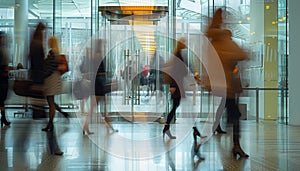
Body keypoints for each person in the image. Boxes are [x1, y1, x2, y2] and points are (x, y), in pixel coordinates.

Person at [206, 8, 249, 158]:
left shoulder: (213, 40)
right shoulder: (221, 38)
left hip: (222, 85)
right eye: (223, 17)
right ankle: (236, 145)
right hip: (225, 86)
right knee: (235, 115)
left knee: (231, 113)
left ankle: (230, 140)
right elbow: (240, 54)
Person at [162, 37, 188, 139]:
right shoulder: (178, 56)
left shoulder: (178, 55)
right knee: (176, 107)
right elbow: (175, 72)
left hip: (178, 85)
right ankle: (166, 128)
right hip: (177, 85)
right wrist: (173, 85)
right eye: (184, 42)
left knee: (175, 107)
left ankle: (166, 128)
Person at [41, 36, 69, 132]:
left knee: (50, 102)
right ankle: (59, 115)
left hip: (51, 79)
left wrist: (43, 75)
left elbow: (49, 68)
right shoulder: (56, 53)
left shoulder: (52, 53)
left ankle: (50, 123)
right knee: (51, 101)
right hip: (55, 78)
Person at [0, 31, 11, 128]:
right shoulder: (2, 50)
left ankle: (3, 117)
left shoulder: (4, 49)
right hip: (2, 77)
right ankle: (3, 117)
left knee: (2, 98)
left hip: (3, 77)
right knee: (1, 98)